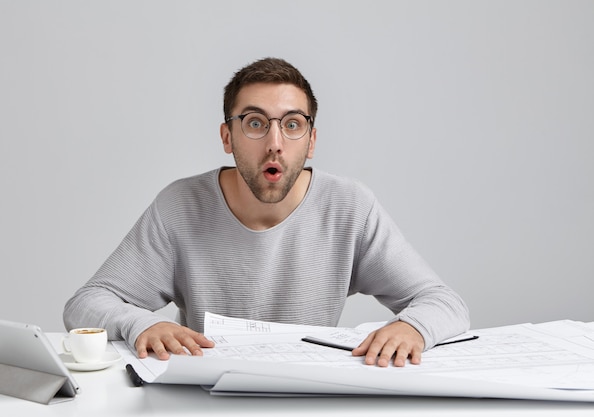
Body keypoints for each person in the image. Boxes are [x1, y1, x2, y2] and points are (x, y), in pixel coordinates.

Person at [64, 57, 469, 368]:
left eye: (292, 125)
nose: (275, 143)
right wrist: (142, 324)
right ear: (228, 136)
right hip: (204, 398)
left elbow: (444, 303)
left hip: (310, 396)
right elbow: (86, 303)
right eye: (255, 123)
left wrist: (412, 326)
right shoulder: (180, 206)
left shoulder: (350, 207)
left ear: (311, 140)